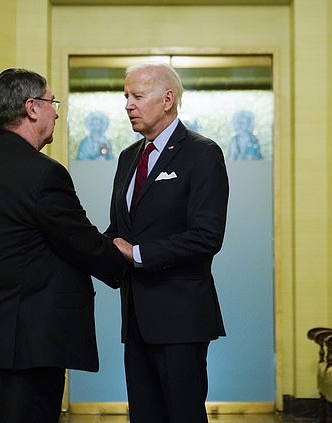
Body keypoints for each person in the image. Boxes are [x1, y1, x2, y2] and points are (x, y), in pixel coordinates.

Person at [0, 68, 127, 423]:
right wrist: (125, 259)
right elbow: (82, 243)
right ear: (32, 108)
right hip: (32, 342)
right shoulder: (44, 173)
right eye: (52, 102)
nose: (57, 112)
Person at [106, 63, 229, 423]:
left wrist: (138, 254)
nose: (128, 104)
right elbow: (118, 231)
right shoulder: (129, 157)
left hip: (181, 320)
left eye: (137, 96)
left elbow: (207, 236)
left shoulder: (202, 154)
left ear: (167, 99)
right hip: (136, 319)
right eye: (126, 96)